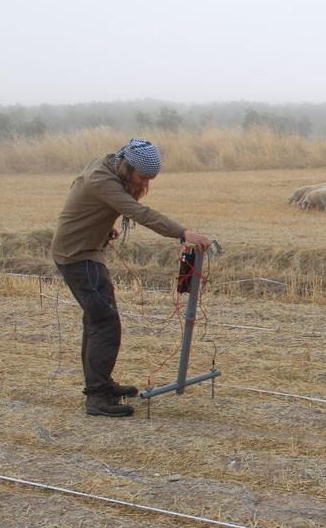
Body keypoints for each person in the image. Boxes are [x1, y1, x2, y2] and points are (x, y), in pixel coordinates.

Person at [51, 139, 212, 417]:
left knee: (96, 320)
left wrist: (101, 225)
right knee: (104, 323)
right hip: (78, 257)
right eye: (143, 178)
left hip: (86, 250)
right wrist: (183, 233)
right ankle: (97, 398)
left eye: (151, 179)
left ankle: (100, 384)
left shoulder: (107, 165)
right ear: (127, 167)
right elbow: (139, 212)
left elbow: (86, 199)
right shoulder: (103, 180)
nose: (145, 184)